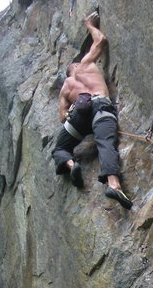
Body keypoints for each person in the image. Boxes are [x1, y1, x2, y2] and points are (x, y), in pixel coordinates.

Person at [51, 12, 132, 209]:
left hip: (79, 115)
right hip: (100, 106)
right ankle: (113, 184)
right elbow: (100, 40)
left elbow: (62, 116)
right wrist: (89, 24)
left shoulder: (66, 88)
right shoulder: (85, 65)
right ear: (76, 66)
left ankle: (71, 164)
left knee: (60, 148)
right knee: (105, 143)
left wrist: (71, 111)